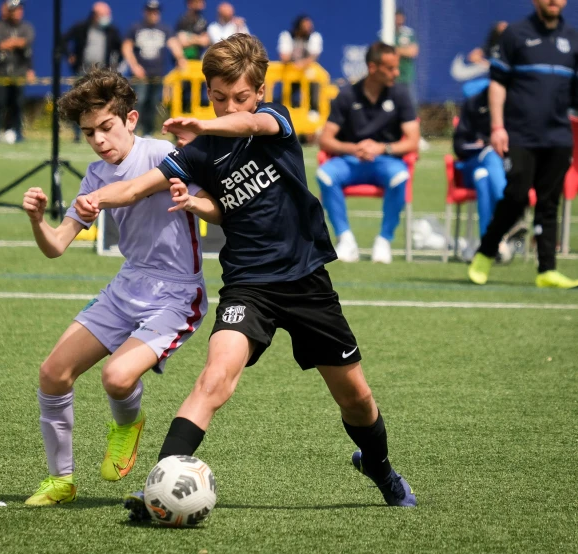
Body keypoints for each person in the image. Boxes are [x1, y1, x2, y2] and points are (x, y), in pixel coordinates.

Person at [74, 34, 417, 515]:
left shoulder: (273, 120)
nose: (228, 105)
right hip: (248, 285)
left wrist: (208, 122)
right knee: (214, 379)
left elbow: (250, 122)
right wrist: (96, 201)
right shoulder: (200, 151)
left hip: (305, 281)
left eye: (238, 96)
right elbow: (137, 189)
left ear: (258, 91)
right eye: (217, 97)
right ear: (207, 91)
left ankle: (379, 467)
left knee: (356, 397)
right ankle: (155, 489)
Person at [21, 67, 212, 506]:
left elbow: (131, 193)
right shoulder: (94, 175)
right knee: (52, 373)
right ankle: (61, 481)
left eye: (106, 127)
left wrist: (193, 202)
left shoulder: (161, 152)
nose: (100, 140)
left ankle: (127, 424)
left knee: (116, 377)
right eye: (88, 133)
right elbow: (56, 246)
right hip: (128, 284)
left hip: (178, 293)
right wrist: (37, 221)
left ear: (129, 119)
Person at [468, 0, 578, 289]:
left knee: (548, 203)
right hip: (519, 134)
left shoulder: (573, 38)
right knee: (516, 195)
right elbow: (497, 82)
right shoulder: (515, 34)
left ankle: (547, 270)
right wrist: (497, 126)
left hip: (558, 136)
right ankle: (485, 252)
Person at [316, 42, 420, 264]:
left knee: (400, 176)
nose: (397, 73)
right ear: (373, 68)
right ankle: (345, 239)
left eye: (397, 67)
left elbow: (413, 141)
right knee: (325, 175)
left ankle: (384, 240)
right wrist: (353, 148)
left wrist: (383, 148)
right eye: (391, 68)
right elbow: (325, 138)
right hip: (350, 161)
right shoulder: (346, 96)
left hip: (385, 161)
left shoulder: (401, 95)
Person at [122, 1, 186, 136]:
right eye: (150, 11)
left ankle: (147, 132)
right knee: (139, 102)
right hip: (140, 75)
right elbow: (126, 47)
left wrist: (180, 58)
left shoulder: (164, 29)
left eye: (156, 11)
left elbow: (173, 44)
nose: (153, 14)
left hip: (157, 74)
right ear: (145, 12)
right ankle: (131, 131)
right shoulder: (136, 28)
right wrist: (134, 66)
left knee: (153, 104)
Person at [63, 2, 122, 142]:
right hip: (82, 72)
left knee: (102, 103)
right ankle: (77, 134)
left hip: (102, 74)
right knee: (80, 103)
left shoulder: (111, 31)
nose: (107, 17)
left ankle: (103, 131)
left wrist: (114, 65)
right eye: (104, 14)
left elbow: (120, 49)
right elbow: (63, 40)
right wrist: (70, 55)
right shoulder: (82, 28)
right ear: (95, 15)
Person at [453, 87, 507, 241]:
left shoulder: (514, 103)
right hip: (472, 164)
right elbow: (459, 146)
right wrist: (484, 145)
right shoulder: (474, 102)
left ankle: (487, 243)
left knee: (482, 176)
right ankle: (508, 213)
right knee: (489, 154)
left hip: (501, 169)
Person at [0, 0, 35, 143]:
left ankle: (18, 133)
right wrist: (15, 42)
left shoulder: (26, 27)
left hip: (19, 72)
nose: (18, 13)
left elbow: (26, 42)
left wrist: (11, 43)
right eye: (15, 10)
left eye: (20, 10)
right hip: (1, 72)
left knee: (18, 104)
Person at [277, 15, 323, 115]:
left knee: (313, 77)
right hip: (290, 71)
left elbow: (313, 57)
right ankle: (283, 109)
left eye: (310, 26)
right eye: (305, 26)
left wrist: (302, 64)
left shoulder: (315, 36)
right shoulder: (287, 35)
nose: (308, 29)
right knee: (288, 87)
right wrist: (294, 64)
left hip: (307, 71)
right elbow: (284, 56)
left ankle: (313, 110)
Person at [176, 0, 209, 112]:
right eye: (198, 2)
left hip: (198, 63)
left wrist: (190, 37)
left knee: (198, 89)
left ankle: (195, 115)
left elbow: (205, 41)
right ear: (190, 4)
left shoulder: (203, 21)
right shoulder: (183, 20)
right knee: (183, 89)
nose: (202, 5)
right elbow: (181, 41)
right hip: (184, 61)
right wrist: (197, 39)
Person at [463, 21, 508, 99]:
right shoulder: (491, 46)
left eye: (506, 27)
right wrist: (488, 64)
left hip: (508, 82)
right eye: (502, 26)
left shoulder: (514, 46)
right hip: (493, 81)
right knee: (468, 88)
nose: (505, 28)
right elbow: (473, 56)